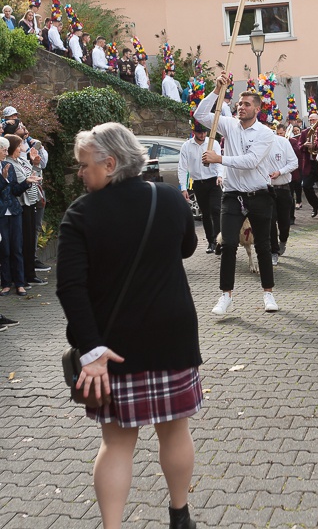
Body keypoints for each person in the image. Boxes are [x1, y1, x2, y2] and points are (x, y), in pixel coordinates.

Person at [56, 122, 201, 529]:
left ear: (110, 163)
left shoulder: (80, 214)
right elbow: (187, 247)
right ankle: (180, 517)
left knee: (116, 444)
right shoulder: (167, 198)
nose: (80, 173)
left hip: (112, 348)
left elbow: (70, 288)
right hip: (172, 337)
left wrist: (91, 350)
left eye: (84, 165)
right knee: (175, 432)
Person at [194, 72, 278, 315]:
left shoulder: (265, 133)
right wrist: (216, 91)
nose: (241, 107)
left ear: (257, 109)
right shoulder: (229, 124)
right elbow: (200, 115)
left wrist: (219, 159)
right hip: (232, 195)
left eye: (247, 104)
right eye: (240, 103)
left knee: (263, 245)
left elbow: (251, 161)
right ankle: (226, 296)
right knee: (228, 244)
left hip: (259, 195)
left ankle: (268, 293)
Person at [0, 135, 42, 296]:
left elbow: (15, 191)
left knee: (17, 248)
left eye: (6, 150)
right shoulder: (6, 167)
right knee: (4, 250)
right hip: (1, 214)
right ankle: (6, 284)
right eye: (3, 150)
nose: (6, 153)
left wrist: (27, 182)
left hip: (15, 211)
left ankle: (20, 283)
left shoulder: (8, 165)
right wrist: (3, 179)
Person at [178, 123, 222, 253]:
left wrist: (220, 175)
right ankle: (211, 242)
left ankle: (219, 241)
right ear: (194, 132)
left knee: (216, 210)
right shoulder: (186, 146)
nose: (202, 135)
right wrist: (183, 188)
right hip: (198, 183)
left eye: (204, 132)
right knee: (206, 213)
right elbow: (182, 168)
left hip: (213, 181)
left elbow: (219, 162)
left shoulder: (213, 143)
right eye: (199, 133)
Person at [268, 123, 298, 264]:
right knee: (270, 220)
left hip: (283, 188)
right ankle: (273, 251)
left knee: (284, 221)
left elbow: (294, 163)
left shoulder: (283, 142)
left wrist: (280, 172)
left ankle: (283, 240)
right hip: (267, 189)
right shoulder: (257, 144)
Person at [298, 112, 318, 217]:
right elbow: (299, 146)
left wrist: (315, 145)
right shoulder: (305, 132)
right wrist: (304, 145)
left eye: (314, 120)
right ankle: (315, 205)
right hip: (309, 163)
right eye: (310, 120)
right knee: (306, 186)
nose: (312, 122)